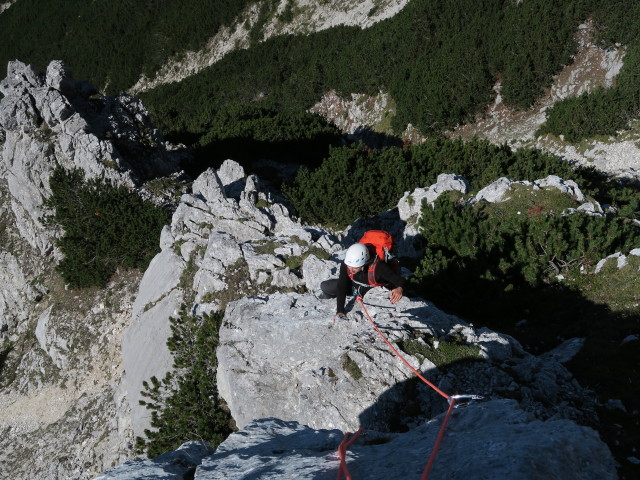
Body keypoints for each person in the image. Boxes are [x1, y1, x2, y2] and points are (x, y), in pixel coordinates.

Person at [319, 243, 405, 320]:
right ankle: (327, 296)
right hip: (354, 287)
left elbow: (399, 280)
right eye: (349, 266)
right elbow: (342, 285)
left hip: (370, 292)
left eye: (355, 267)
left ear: (364, 262)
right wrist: (340, 311)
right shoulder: (347, 263)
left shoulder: (379, 267)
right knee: (325, 286)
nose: (351, 270)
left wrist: (399, 288)